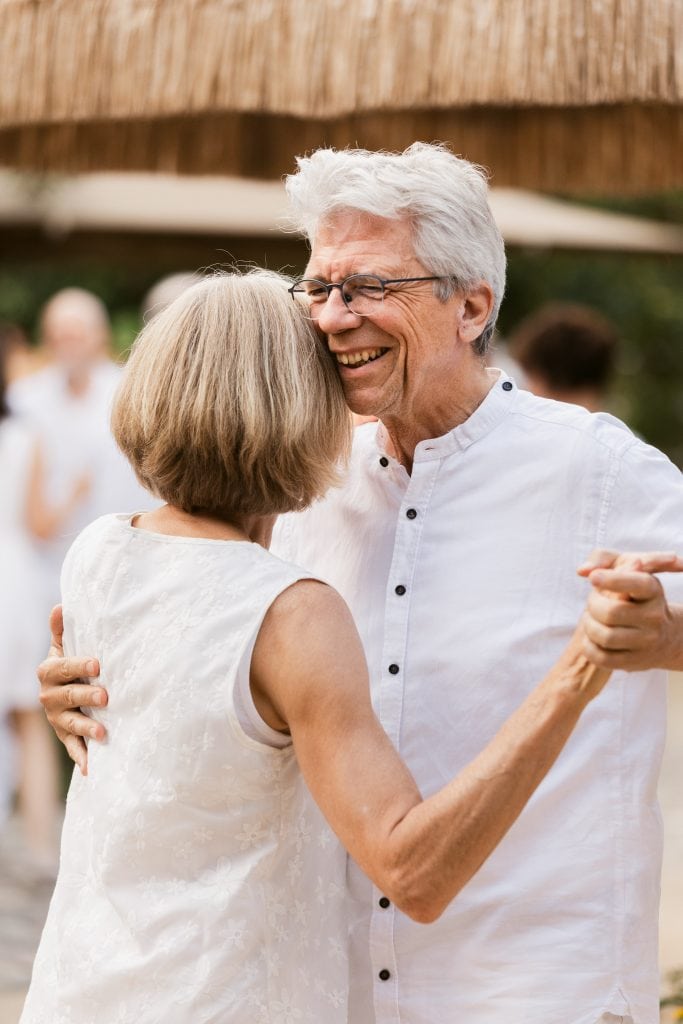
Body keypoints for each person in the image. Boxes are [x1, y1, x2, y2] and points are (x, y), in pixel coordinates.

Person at [39, 146, 683, 1024]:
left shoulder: (598, 470)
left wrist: (663, 638)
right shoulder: (299, 478)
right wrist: (89, 684)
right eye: (319, 288)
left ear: (471, 305)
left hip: (530, 987)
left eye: (369, 287)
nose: (334, 317)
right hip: (337, 990)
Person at [0, 322, 88, 869]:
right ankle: (39, 847)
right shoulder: (25, 436)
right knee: (30, 719)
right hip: (14, 582)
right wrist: (73, 494)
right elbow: (37, 524)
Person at [9, 288, 151, 604]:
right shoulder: (26, 398)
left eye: (75, 336)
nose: (66, 346)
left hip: (120, 561)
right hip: (44, 566)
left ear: (99, 336)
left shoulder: (128, 393)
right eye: (58, 337)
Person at [509, 302, 620, 411]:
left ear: (543, 378)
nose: (526, 388)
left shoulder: (529, 423)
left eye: (529, 377)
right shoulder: (617, 429)